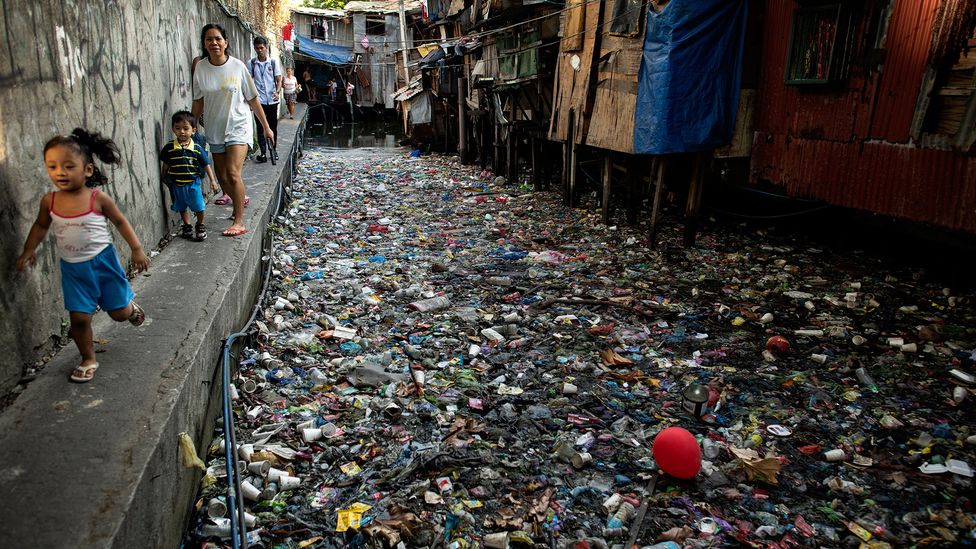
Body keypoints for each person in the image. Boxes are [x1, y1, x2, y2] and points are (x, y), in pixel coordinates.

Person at [16, 128, 149, 383]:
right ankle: (88, 358)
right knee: (79, 317)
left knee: (118, 313)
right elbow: (41, 226)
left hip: (103, 264)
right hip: (74, 269)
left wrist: (136, 249)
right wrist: (29, 250)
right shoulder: (50, 201)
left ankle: (130, 308)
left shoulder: (98, 199)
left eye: (68, 166)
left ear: (87, 170)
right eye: (52, 167)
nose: (60, 173)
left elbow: (120, 222)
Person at [192, 23, 274, 237]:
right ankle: (239, 197)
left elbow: (253, 99)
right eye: (209, 39)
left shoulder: (238, 67)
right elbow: (198, 101)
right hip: (214, 127)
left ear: (225, 42)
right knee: (222, 177)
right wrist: (191, 125)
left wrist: (266, 127)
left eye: (218, 38)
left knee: (232, 171)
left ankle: (239, 220)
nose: (214, 43)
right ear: (204, 44)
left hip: (239, 125)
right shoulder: (200, 68)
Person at [160, 111, 219, 241]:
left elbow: (206, 164)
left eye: (185, 128)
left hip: (193, 183)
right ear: (173, 129)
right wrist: (163, 176)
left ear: (193, 130)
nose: (182, 132)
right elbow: (166, 163)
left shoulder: (197, 148)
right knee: (181, 205)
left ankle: (200, 225)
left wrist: (213, 181)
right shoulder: (170, 147)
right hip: (177, 184)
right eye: (178, 128)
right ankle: (187, 226)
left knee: (199, 206)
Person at [248, 36, 282, 164]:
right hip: (259, 101)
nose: (259, 50)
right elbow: (249, 81)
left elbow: (279, 80)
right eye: (257, 48)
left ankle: (273, 150)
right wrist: (250, 99)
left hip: (272, 100)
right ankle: (263, 152)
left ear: (266, 47)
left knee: (272, 126)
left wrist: (277, 92)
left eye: (261, 48)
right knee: (260, 126)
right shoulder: (251, 63)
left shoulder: (273, 63)